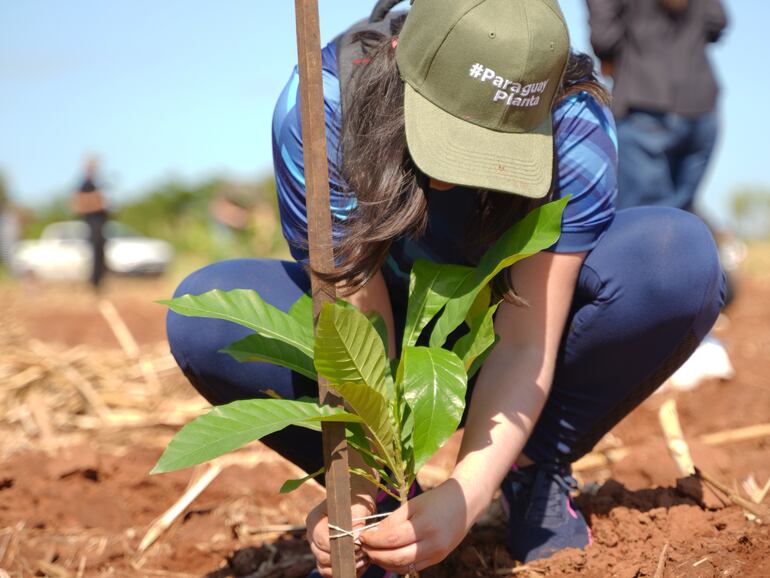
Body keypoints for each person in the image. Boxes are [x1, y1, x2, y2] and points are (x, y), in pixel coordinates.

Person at [167, 0, 725, 574]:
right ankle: (386, 502)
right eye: (445, 133)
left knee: (674, 258)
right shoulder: (323, 104)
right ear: (397, 58)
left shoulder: (575, 120)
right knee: (208, 317)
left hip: (504, 323)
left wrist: (469, 492)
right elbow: (356, 327)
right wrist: (360, 480)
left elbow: (526, 338)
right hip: (385, 319)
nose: (447, 175)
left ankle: (528, 467)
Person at [586, 0, 728, 212]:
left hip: (643, 101)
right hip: (701, 104)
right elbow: (717, 22)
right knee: (678, 216)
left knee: (642, 222)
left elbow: (603, 38)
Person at [72, 157, 109, 290]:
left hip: (100, 224)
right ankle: (94, 282)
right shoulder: (85, 185)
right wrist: (98, 201)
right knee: (95, 253)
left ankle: (99, 281)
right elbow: (78, 204)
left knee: (100, 253)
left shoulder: (95, 183)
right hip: (93, 223)